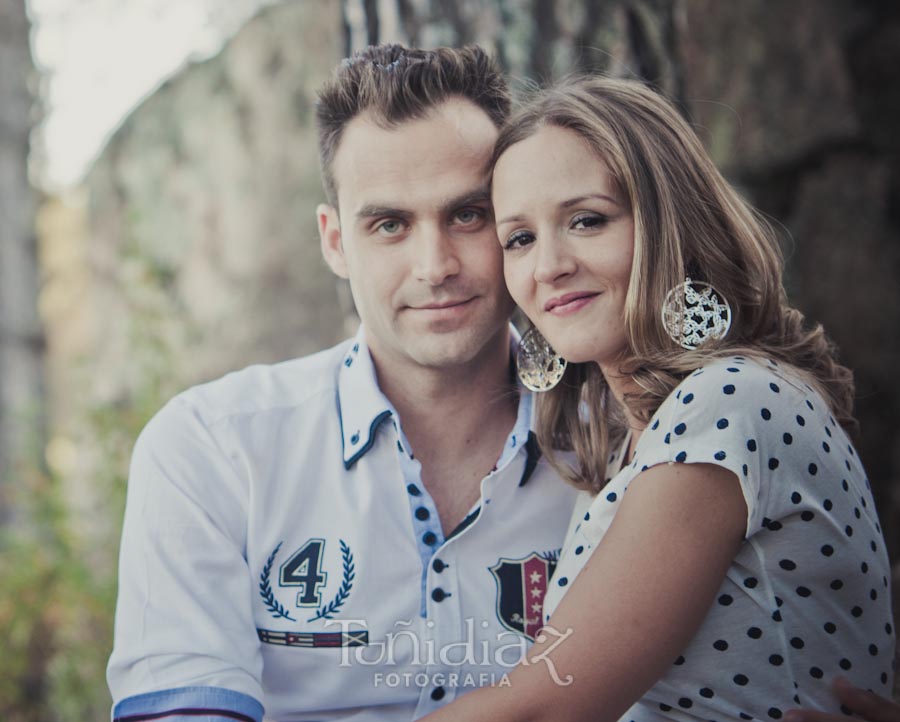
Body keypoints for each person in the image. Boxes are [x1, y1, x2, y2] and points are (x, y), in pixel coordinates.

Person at [106, 44, 579, 722]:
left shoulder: (615, 439)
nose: (434, 265)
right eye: (389, 224)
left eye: (467, 215)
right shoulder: (212, 449)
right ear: (334, 242)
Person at [420, 77, 895, 722]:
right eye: (520, 239)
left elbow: (543, 709)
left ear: (668, 225)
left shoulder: (731, 401)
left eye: (587, 220)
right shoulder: (629, 442)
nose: (549, 265)